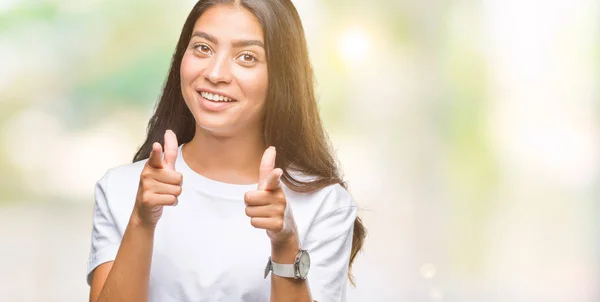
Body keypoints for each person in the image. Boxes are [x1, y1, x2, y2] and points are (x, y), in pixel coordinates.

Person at [87, 0, 366, 301]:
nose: (216, 73)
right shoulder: (121, 189)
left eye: (247, 57)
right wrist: (141, 221)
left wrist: (285, 245)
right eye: (203, 48)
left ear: (282, 77)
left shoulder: (324, 205)